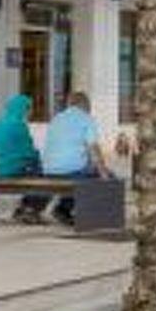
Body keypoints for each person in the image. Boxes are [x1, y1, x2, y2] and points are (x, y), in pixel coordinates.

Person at [40, 91, 113, 224]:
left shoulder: (56, 118)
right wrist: (104, 173)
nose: (90, 110)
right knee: (108, 176)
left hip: (48, 171)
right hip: (71, 172)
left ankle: (63, 210)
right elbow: (94, 149)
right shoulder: (86, 119)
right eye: (89, 107)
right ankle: (96, 218)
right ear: (84, 104)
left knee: (80, 172)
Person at [0, 93, 46, 222]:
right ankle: (30, 210)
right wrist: (39, 158)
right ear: (22, 108)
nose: (30, 112)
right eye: (29, 108)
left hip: (1, 169)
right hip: (16, 170)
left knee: (37, 172)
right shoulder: (19, 125)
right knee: (49, 177)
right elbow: (28, 152)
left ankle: (23, 208)